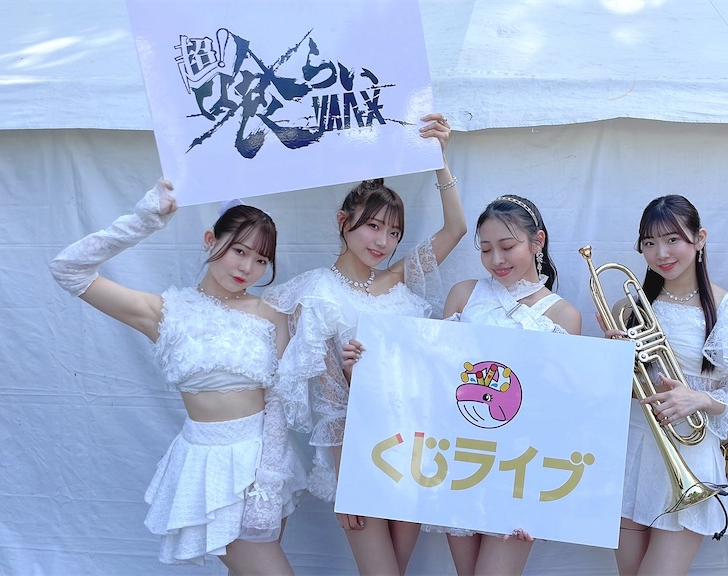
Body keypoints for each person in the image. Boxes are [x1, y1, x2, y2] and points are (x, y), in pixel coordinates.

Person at [48, 180, 305, 573]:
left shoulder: (272, 311)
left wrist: (268, 476)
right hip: (207, 463)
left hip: (264, 460)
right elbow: (68, 269)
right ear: (210, 239)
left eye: (260, 260)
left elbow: (279, 397)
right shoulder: (167, 312)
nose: (247, 268)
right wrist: (144, 220)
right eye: (239, 250)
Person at [262, 113, 466, 575]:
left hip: (415, 446)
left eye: (394, 232)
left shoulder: (398, 281)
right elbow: (330, 402)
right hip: (361, 454)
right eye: (373, 226)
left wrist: (439, 158)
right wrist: (346, 483)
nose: (384, 241)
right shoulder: (317, 293)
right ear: (343, 221)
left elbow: (455, 229)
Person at [605, 195, 728, 576]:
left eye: (672, 240)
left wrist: (699, 399)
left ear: (700, 238)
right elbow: (611, 393)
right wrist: (614, 361)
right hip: (630, 451)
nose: (661, 253)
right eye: (650, 242)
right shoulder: (627, 308)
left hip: (691, 455)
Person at [429, 194, 581, 576]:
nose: (496, 259)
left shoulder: (564, 315)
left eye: (507, 246)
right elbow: (439, 377)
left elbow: (558, 411)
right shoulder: (463, 295)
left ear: (537, 241)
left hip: (520, 469)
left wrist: (543, 491)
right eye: (485, 249)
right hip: (461, 460)